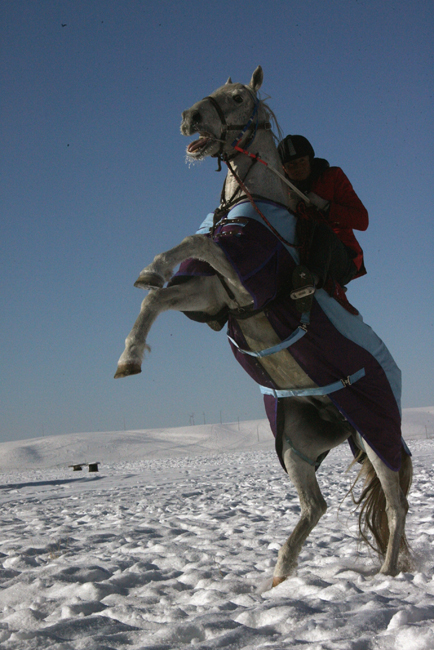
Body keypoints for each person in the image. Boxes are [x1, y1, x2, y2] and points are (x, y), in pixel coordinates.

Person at [277, 135, 369, 312]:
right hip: (304, 256)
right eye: (291, 165)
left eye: (302, 162)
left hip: (342, 259)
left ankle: (311, 281)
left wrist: (326, 206)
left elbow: (362, 221)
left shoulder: (333, 177)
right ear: (283, 169)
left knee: (322, 229)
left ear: (310, 160)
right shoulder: (283, 191)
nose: (298, 168)